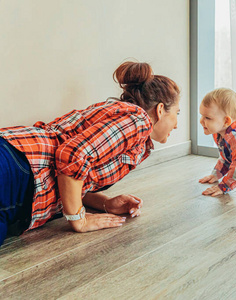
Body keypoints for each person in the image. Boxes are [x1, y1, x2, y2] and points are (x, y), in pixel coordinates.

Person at [0, 61, 180, 247]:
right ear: (160, 110)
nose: (176, 125)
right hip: (19, 169)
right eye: (177, 113)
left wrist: (105, 203)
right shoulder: (138, 120)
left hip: (23, 190)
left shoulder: (127, 123)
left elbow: (71, 174)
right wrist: (79, 219)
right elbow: (71, 155)